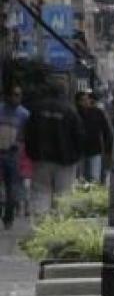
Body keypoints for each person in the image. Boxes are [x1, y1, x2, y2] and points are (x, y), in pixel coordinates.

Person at [23, 78, 84, 216]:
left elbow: (29, 133)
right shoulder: (70, 111)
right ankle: (58, 229)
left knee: (40, 192)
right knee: (63, 196)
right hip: (65, 161)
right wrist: (76, 156)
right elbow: (79, 136)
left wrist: (32, 154)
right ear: (65, 91)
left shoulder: (37, 109)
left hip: (41, 159)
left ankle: (40, 227)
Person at [0, 85, 30, 229]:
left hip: (13, 156)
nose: (16, 97)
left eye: (18, 95)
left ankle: (8, 218)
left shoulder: (24, 114)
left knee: (12, 188)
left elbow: (28, 134)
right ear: (7, 96)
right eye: (13, 94)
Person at [74, 90, 112, 183]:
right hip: (79, 151)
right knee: (80, 178)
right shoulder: (74, 114)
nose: (86, 102)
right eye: (83, 100)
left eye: (87, 99)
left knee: (94, 178)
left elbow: (106, 130)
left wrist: (108, 148)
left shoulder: (97, 112)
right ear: (78, 102)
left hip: (95, 150)